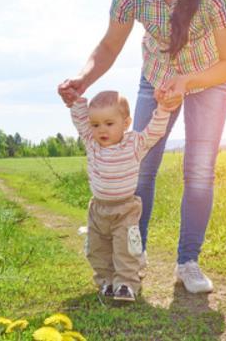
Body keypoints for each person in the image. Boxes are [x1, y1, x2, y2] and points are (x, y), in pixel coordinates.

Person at [58, 0, 226, 294]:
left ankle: (188, 262)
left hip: (209, 77)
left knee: (198, 171)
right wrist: (83, 78)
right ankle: (134, 255)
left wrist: (186, 81)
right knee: (142, 166)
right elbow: (108, 46)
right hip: (156, 76)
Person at [70, 90, 181, 301]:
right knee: (97, 249)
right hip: (98, 209)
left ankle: (126, 284)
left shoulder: (134, 144)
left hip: (126, 208)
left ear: (126, 122)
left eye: (109, 123)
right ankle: (106, 282)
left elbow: (155, 132)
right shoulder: (92, 144)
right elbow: (80, 122)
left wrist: (163, 109)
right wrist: (76, 99)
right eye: (96, 125)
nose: (101, 129)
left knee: (126, 249)